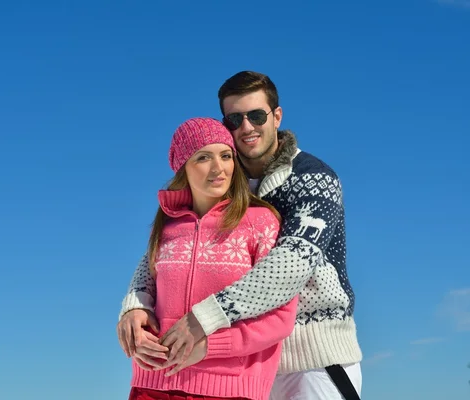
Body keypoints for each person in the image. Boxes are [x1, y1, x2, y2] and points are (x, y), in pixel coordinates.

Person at [118, 71, 363, 400]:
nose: (246, 127)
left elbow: (290, 266)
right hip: (245, 367)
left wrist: (204, 319)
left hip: (312, 358)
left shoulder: (313, 178)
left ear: (276, 116)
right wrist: (135, 304)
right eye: (235, 119)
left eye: (257, 115)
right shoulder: (224, 180)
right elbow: (169, 248)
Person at [123, 117, 298, 400]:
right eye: (203, 157)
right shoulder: (167, 227)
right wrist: (136, 319)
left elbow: (280, 318)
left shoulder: (260, 223)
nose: (219, 168)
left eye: (226, 156)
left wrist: (210, 346)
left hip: (229, 390)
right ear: (184, 168)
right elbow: (146, 292)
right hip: (151, 386)